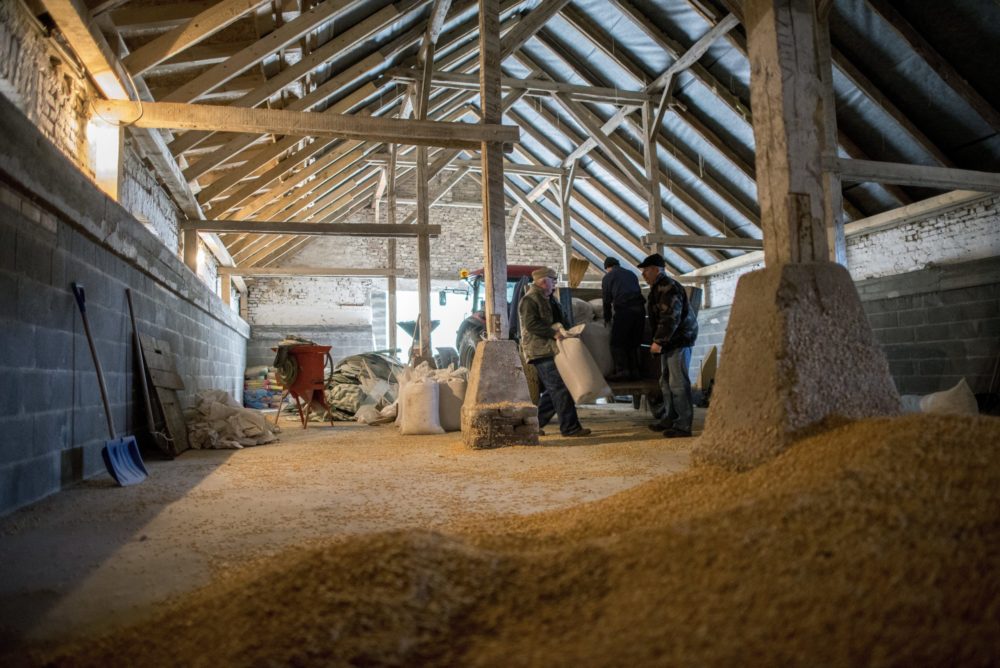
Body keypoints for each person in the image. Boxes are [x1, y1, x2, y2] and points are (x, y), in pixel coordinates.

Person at [518, 266, 592, 438]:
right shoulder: (530, 300)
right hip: (539, 350)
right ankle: (570, 428)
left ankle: (532, 424)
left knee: (555, 389)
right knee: (559, 388)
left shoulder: (547, 298)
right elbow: (531, 324)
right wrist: (554, 333)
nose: (555, 285)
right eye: (553, 281)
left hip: (549, 348)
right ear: (544, 281)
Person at [636, 253, 699, 438]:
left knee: (677, 383)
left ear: (657, 270)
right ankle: (669, 418)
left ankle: (683, 425)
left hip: (679, 339)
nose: (644, 275)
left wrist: (658, 341)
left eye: (646, 271)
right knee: (665, 381)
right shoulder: (658, 288)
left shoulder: (668, 288)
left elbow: (670, 318)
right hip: (670, 340)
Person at [601, 257, 646, 380]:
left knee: (617, 342)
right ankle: (635, 371)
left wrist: (607, 317)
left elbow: (606, 300)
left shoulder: (608, 277)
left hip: (625, 310)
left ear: (607, 268)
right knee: (633, 342)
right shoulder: (631, 273)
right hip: (640, 311)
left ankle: (622, 371)